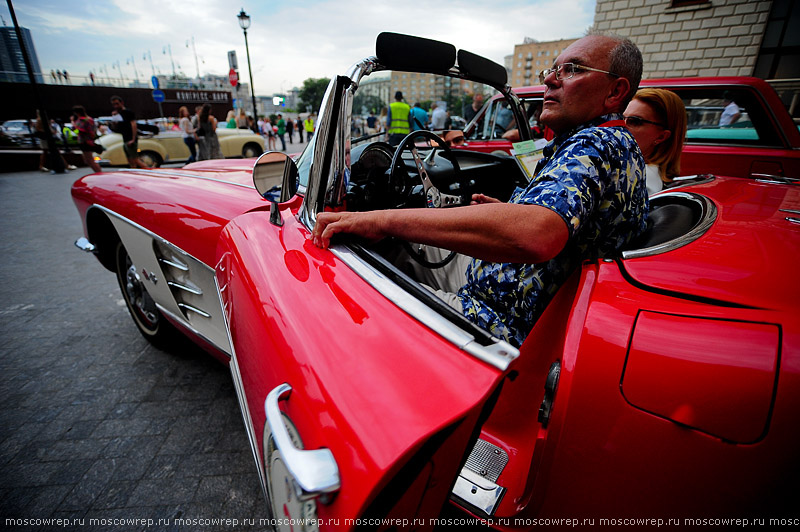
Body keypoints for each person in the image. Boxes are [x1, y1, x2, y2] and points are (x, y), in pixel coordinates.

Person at [312, 33, 647, 349]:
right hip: (507, 285)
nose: (549, 80)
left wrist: (381, 219)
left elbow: (537, 234)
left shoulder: (596, 143)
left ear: (615, 92)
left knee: (353, 280)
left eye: (572, 69)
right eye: (553, 69)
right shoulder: (612, 144)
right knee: (403, 244)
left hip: (494, 321)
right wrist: (508, 208)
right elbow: (559, 218)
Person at [624, 88, 686, 196]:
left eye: (634, 121)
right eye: (620, 118)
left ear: (662, 136)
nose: (620, 126)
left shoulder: (636, 177)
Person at [110, 95, 146, 169]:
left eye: (117, 103)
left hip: (130, 138)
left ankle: (150, 171)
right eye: (114, 104)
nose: (115, 106)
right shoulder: (117, 114)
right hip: (125, 138)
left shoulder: (128, 112)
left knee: (135, 159)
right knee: (130, 160)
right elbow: (115, 127)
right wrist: (114, 118)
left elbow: (133, 125)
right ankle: (135, 173)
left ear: (121, 103)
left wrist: (133, 139)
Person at [71, 105, 102, 173]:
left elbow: (77, 130)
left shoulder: (82, 120)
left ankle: (99, 172)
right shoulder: (89, 119)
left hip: (85, 141)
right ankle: (98, 172)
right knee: (88, 160)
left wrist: (73, 122)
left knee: (89, 160)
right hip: (88, 141)